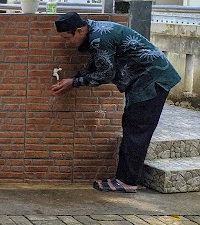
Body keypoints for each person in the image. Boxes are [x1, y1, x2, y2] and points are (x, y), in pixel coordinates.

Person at [51, 12, 180, 193]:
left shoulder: (99, 38)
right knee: (132, 127)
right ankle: (123, 179)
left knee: (136, 131)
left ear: (79, 31)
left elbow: (105, 74)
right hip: (144, 81)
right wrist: (77, 77)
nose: (66, 44)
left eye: (67, 38)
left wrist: (74, 82)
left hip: (152, 81)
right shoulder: (94, 31)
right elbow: (98, 62)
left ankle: (127, 182)